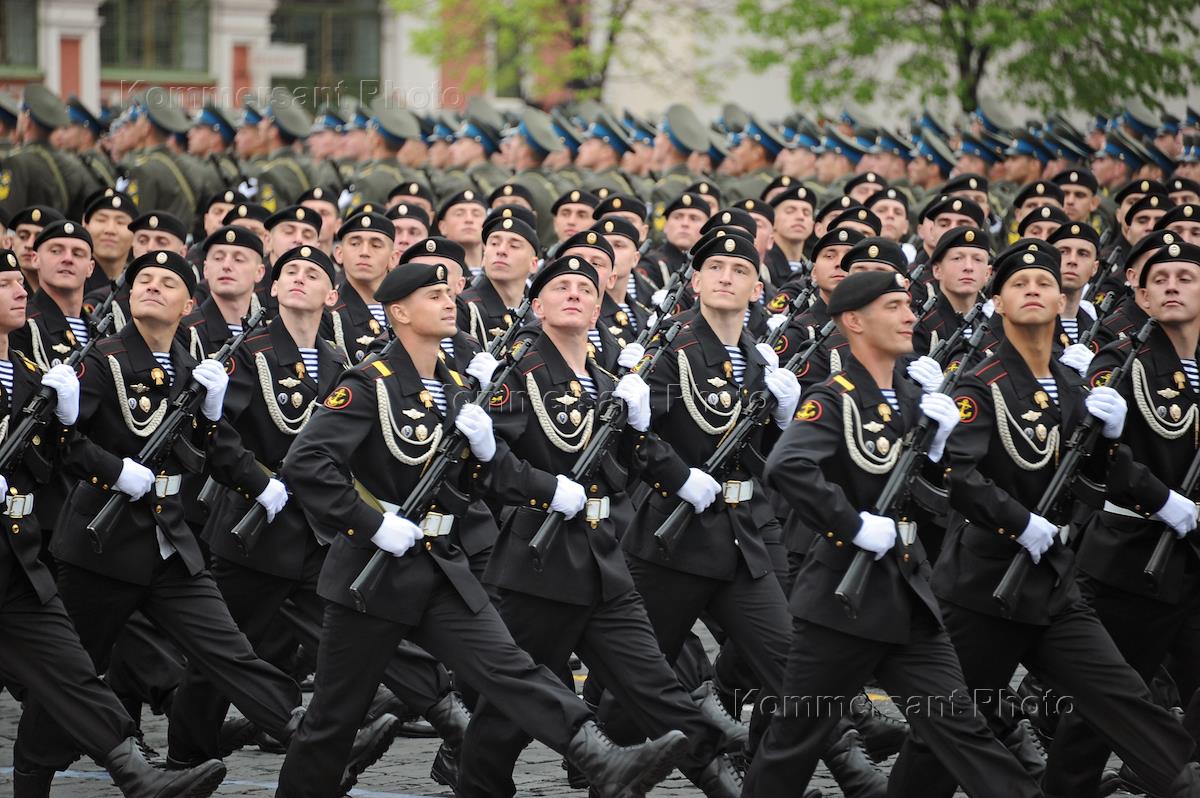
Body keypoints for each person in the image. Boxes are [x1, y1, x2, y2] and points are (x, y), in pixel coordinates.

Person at [275, 259, 689, 798]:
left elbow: (479, 477)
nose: (449, 302)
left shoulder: (456, 386)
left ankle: (600, 757)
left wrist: (496, 458)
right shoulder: (368, 384)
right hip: (371, 574)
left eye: (448, 294)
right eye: (432, 297)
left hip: (439, 565)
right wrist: (371, 524)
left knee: (510, 668)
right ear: (399, 312)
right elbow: (306, 462)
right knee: (335, 715)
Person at [10, 250, 336, 793]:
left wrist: (217, 425)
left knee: (227, 648)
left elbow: (201, 449)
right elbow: (64, 442)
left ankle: (306, 732)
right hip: (102, 547)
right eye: (144, 280)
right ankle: (32, 776)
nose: (153, 287)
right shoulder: (102, 360)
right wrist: (115, 470)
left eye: (167, 282)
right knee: (75, 673)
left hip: (169, 540)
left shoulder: (190, 367)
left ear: (188, 305)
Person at [888, 245, 1200, 798]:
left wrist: (1109, 442)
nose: (1032, 289)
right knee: (947, 731)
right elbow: (961, 477)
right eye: (1018, 283)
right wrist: (1020, 523)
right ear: (997, 303)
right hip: (985, 587)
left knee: (1121, 696)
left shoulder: (1074, 386)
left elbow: (1092, 481)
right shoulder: (978, 384)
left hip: (1053, 582)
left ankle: (1183, 782)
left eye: (1043, 283)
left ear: (1062, 301)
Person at [456, 255, 737, 797]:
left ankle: (733, 780)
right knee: (506, 715)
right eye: (560, 286)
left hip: (602, 558)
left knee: (654, 685)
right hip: (540, 562)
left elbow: (623, 467)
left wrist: (643, 433)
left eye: (585, 289)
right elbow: (489, 468)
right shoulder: (516, 376)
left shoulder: (609, 383)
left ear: (597, 308)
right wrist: (545, 488)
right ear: (537, 307)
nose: (574, 294)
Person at [0, 248, 228, 798]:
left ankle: (135, 774)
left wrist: (63, 420)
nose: (20, 290)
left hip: (15, 560)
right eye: (4, 282)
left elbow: (46, 462)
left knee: (72, 671)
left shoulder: (29, 373)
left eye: (18, 280)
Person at [1043, 241, 1200, 796]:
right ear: (1143, 295)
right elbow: (1097, 457)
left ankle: (1167, 770)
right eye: (1161, 278)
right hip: (1137, 555)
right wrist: (1163, 500)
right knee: (1104, 706)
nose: (1173, 285)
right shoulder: (1120, 361)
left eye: (1186, 276)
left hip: (1196, 553)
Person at [321, 211, 397, 363]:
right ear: (339, 254)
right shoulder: (327, 314)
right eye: (355, 244)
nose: (364, 252)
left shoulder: (405, 310)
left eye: (376, 245)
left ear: (393, 258)